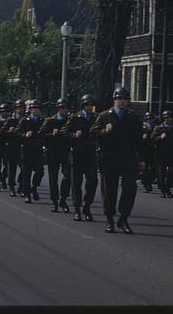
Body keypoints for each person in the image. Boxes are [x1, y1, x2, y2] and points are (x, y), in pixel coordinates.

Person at [89, 86, 144, 234]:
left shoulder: (132, 117)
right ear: (114, 100)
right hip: (109, 157)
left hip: (128, 157)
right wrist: (103, 131)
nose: (123, 102)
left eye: (125, 99)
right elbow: (92, 133)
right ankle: (109, 219)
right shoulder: (104, 115)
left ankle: (124, 218)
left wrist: (142, 159)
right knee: (109, 190)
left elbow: (140, 140)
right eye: (120, 99)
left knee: (130, 187)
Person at [63, 94, 98, 222]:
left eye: (91, 105)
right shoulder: (74, 117)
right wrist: (73, 134)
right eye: (87, 105)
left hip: (91, 154)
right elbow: (64, 132)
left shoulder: (96, 117)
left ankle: (87, 206)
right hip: (77, 155)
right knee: (76, 184)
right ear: (83, 106)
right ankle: (77, 209)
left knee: (92, 182)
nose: (90, 107)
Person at [41, 98, 72, 212]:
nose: (64, 110)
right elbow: (41, 133)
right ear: (58, 109)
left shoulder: (70, 120)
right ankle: (54, 201)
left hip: (66, 151)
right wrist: (51, 134)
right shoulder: (50, 120)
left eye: (66, 108)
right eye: (62, 108)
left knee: (67, 176)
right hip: (53, 151)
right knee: (53, 178)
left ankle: (63, 199)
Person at [17, 100, 46, 203]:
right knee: (26, 173)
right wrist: (25, 134)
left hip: (38, 149)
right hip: (27, 149)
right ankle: (27, 194)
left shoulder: (43, 121)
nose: (36, 110)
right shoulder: (25, 120)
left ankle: (34, 187)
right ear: (30, 110)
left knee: (40, 172)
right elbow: (17, 133)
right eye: (34, 108)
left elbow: (46, 133)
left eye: (37, 108)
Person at [153, 110, 173, 199]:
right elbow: (153, 138)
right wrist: (160, 137)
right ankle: (163, 190)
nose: (168, 119)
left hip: (172, 152)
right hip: (161, 153)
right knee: (161, 173)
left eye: (170, 117)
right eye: (166, 117)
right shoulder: (158, 128)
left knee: (172, 172)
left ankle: (168, 187)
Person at [3, 100, 25, 197]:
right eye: (18, 107)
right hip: (12, 146)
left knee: (25, 168)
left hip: (23, 146)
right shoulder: (10, 119)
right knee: (12, 168)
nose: (19, 109)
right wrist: (9, 130)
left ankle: (21, 186)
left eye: (21, 107)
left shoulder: (26, 119)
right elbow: (2, 131)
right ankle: (11, 187)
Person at [139, 112, 158, 193]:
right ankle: (145, 184)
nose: (150, 120)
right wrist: (142, 137)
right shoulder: (141, 127)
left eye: (151, 118)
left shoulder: (156, 127)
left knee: (153, 168)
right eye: (148, 118)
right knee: (144, 168)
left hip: (153, 150)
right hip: (144, 150)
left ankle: (149, 182)